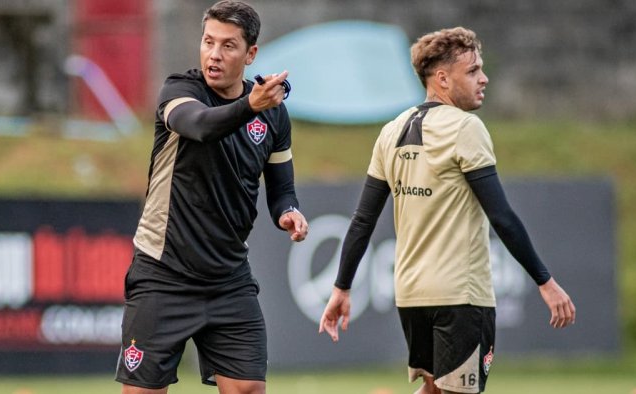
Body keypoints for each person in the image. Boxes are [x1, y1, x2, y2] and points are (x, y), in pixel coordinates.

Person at [318, 27, 575, 394]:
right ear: (442, 78)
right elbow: (501, 215)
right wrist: (545, 282)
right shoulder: (465, 128)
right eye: (472, 71)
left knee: (435, 390)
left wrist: (341, 287)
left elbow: (363, 220)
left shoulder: (391, 131)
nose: (483, 78)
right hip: (460, 295)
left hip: (410, 295)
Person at [115, 1, 308, 393]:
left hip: (228, 278)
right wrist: (249, 105)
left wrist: (288, 212)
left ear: (251, 54)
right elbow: (201, 126)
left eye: (228, 46)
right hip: (163, 272)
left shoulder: (272, 114)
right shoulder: (180, 90)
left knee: (248, 388)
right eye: (208, 42)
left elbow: (281, 188)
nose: (214, 55)